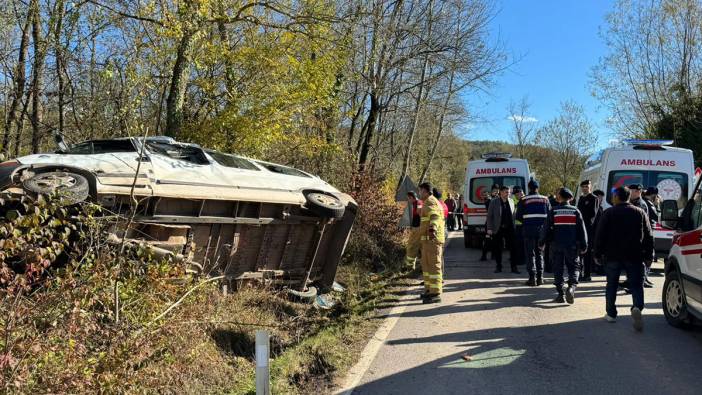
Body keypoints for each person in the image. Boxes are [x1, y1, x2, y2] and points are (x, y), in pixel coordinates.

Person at [594, 186, 653, 331]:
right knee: (637, 285)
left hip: (612, 255)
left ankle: (611, 314)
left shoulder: (608, 213)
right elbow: (648, 235)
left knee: (612, 285)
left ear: (616, 197)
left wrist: (597, 254)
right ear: (628, 197)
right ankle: (637, 307)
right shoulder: (640, 212)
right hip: (635, 255)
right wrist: (648, 256)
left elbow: (600, 235)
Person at [540, 188, 587, 303]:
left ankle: (560, 294)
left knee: (558, 269)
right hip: (572, 246)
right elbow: (582, 230)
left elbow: (545, 228)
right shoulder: (576, 211)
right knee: (575, 267)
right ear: (570, 198)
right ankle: (571, 288)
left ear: (560, 197)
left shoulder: (554, 211)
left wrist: (541, 242)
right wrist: (584, 245)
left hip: (556, 245)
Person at [516, 180, 551, 286]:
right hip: (542, 232)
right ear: (538, 188)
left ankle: (532, 278)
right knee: (540, 254)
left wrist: (527, 222)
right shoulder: (545, 199)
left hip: (528, 230)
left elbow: (518, 217)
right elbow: (549, 216)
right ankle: (540, 278)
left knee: (530, 254)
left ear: (529, 188)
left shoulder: (523, 200)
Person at [418, 182, 446, 304]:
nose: (419, 193)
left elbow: (434, 217)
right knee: (427, 266)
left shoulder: (431, 201)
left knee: (434, 266)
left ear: (425, 191)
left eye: (420, 191)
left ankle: (436, 293)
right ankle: (429, 290)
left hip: (432, 240)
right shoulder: (427, 202)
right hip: (427, 241)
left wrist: (432, 229)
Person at [487, 186, 519, 274]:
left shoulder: (511, 201)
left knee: (513, 248)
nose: (508, 194)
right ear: (500, 192)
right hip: (498, 228)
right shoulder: (494, 202)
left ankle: (514, 267)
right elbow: (489, 216)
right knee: (498, 248)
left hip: (510, 228)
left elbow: (514, 215)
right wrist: (489, 228)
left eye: (508, 192)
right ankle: (498, 266)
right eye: (506, 192)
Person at [629, 183, 655, 288]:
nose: (629, 193)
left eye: (631, 191)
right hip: (633, 237)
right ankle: (633, 282)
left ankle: (639, 282)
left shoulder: (641, 204)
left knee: (639, 263)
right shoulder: (633, 202)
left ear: (638, 192)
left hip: (639, 238)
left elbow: (641, 224)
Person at [576, 180, 600, 282]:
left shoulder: (594, 198)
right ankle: (580, 273)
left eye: (587, 186)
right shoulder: (581, 198)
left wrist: (585, 225)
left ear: (590, 187)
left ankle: (587, 274)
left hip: (589, 229)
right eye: (583, 186)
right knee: (580, 251)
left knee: (587, 253)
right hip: (580, 228)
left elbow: (593, 215)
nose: (585, 188)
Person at [404, 191, 423, 269]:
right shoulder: (417, 203)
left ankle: (410, 267)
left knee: (411, 247)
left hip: (418, 228)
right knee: (420, 248)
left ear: (411, 197)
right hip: (417, 228)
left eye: (408, 198)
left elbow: (420, 213)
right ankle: (421, 266)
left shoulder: (418, 203)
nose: (408, 200)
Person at [592, 189, 606, 275]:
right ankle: (594, 267)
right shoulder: (594, 208)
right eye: (599, 197)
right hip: (593, 233)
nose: (601, 199)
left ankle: (598, 267)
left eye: (601, 198)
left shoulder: (600, 208)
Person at [512, 186, 525, 268]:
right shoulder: (518, 200)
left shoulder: (524, 200)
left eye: (516, 194)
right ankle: (519, 259)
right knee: (518, 244)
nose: (515, 196)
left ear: (520, 193)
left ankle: (521, 260)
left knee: (521, 244)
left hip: (522, 225)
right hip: (517, 225)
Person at [480, 190, 493, 261]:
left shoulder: (489, 201)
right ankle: (485, 256)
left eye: (486, 195)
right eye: (483, 195)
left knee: (488, 239)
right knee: (488, 239)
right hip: (489, 223)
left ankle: (485, 256)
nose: (484, 196)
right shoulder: (488, 201)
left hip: (490, 223)